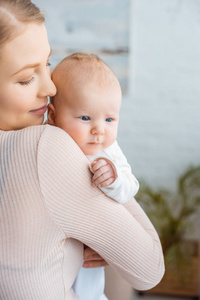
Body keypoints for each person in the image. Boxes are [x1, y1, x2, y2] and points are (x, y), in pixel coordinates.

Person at [0, 1, 165, 300]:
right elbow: (149, 269)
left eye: (47, 63)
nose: (50, 89)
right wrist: (104, 154)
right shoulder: (44, 146)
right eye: (26, 78)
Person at [47, 52, 140, 300]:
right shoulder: (47, 141)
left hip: (91, 245)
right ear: (53, 116)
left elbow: (131, 186)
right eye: (86, 118)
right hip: (53, 246)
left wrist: (115, 178)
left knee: (90, 291)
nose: (99, 129)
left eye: (110, 119)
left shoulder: (109, 151)